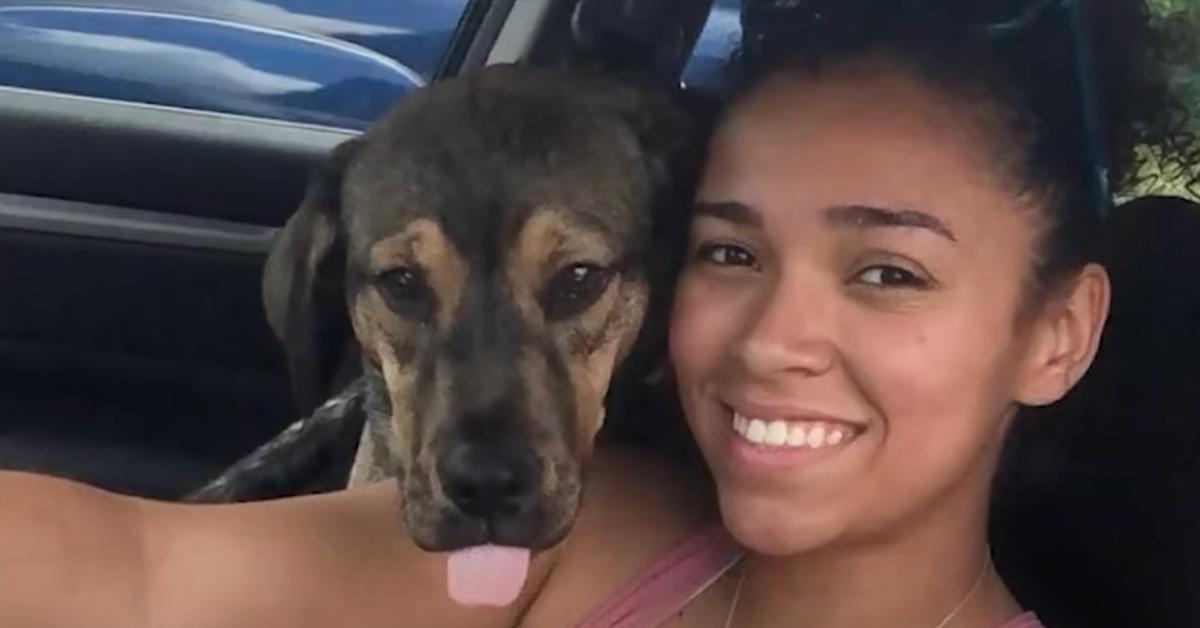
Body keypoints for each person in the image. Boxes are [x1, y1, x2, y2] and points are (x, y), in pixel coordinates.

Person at [0, 0, 1193, 626]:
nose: (771, 338)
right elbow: (134, 573)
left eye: (888, 270)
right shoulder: (575, 542)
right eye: (730, 250)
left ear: (1059, 331)